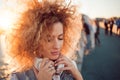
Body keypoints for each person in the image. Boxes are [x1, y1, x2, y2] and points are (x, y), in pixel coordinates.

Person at [6, 0, 83, 80]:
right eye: (49, 39)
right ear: (35, 40)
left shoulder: (70, 68)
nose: (56, 46)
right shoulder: (19, 75)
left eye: (60, 38)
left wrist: (78, 76)